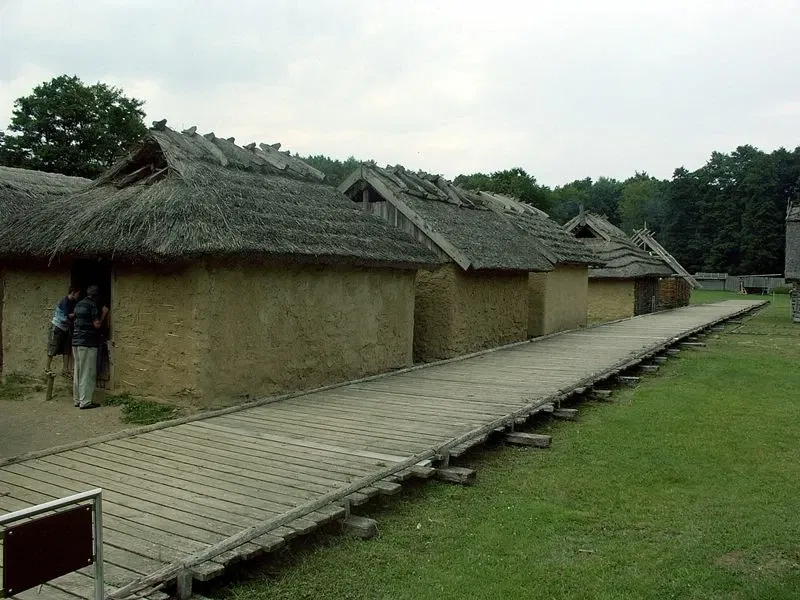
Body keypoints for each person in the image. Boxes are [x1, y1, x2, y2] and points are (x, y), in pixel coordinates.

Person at [72, 285, 109, 409]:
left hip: (76, 341)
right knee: (87, 372)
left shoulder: (78, 304)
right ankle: (85, 401)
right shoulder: (92, 305)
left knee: (78, 371)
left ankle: (77, 399)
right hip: (87, 342)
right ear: (96, 296)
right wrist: (103, 314)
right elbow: (97, 325)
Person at [46, 286, 81, 377]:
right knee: (53, 346)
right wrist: (78, 313)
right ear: (73, 292)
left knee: (67, 349)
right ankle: (47, 368)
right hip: (58, 326)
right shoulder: (65, 301)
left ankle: (65, 370)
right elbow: (68, 316)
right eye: (78, 293)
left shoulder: (74, 302)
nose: (78, 295)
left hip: (66, 327)